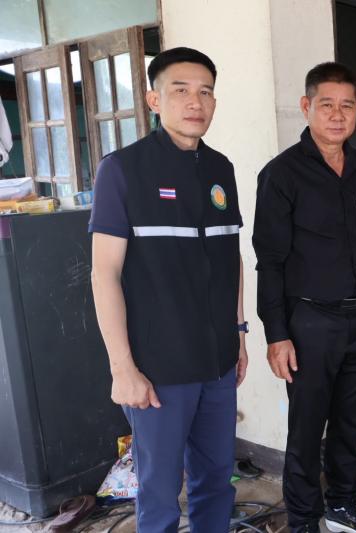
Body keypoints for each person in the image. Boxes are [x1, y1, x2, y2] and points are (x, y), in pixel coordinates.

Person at [90, 47, 248, 532]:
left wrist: (240, 333)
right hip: (158, 371)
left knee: (217, 480)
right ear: (154, 99)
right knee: (159, 491)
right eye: (180, 90)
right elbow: (104, 273)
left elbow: (232, 256)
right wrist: (123, 369)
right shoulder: (122, 169)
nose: (195, 102)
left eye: (205, 91)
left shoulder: (221, 169)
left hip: (218, 362)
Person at [253, 62, 356, 533]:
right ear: (307, 106)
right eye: (326, 105)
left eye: (347, 106)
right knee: (306, 427)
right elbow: (270, 261)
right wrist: (277, 334)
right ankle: (303, 519)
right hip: (310, 323)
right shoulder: (281, 175)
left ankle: (343, 502)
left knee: (352, 421)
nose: (337, 116)